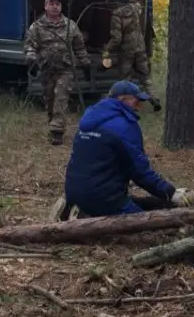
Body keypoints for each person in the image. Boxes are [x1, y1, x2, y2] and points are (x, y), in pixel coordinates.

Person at [61, 80, 187, 217]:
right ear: (122, 99)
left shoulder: (90, 120)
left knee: (143, 203)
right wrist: (170, 193)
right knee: (150, 226)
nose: (138, 107)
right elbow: (140, 172)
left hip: (73, 193)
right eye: (136, 101)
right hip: (104, 198)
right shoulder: (124, 126)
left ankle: (82, 211)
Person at [24, 0, 91, 145]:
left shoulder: (70, 26)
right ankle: (52, 124)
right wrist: (31, 60)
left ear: (61, 7)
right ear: (45, 6)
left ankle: (57, 131)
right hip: (47, 69)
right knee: (50, 100)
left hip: (65, 69)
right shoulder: (37, 26)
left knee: (61, 97)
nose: (55, 6)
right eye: (52, 4)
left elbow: (79, 46)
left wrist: (85, 63)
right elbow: (30, 45)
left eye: (58, 4)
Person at [101, 0, 160, 111]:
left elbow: (116, 38)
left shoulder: (116, 15)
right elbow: (136, 2)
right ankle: (155, 100)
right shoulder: (135, 8)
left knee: (125, 80)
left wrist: (107, 49)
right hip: (140, 48)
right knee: (145, 77)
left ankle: (128, 105)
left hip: (127, 51)